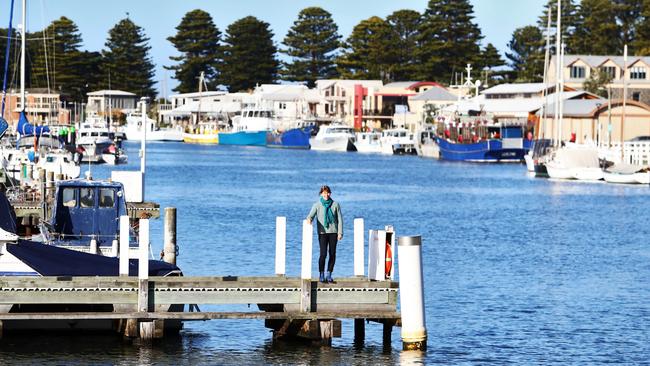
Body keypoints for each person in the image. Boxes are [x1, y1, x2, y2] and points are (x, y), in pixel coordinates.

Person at [307, 185, 343, 283]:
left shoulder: (335, 204)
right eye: (324, 193)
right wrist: (309, 219)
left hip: (333, 233)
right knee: (323, 254)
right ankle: (321, 274)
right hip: (322, 233)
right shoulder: (317, 205)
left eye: (327, 193)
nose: (326, 194)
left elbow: (340, 219)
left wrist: (340, 233)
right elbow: (310, 215)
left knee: (332, 254)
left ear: (330, 193)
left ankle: (329, 274)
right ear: (321, 194)